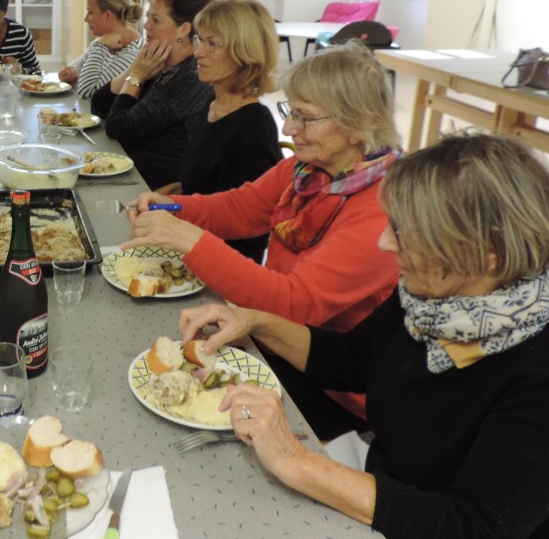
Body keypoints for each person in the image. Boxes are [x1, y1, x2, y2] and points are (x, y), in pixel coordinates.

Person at [179, 133, 549, 539]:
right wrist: (255, 321)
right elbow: (349, 360)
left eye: (405, 232)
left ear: (487, 252)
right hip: (378, 481)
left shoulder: (535, 372)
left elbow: (471, 526)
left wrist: (296, 460)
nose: (384, 242)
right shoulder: (430, 300)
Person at [126, 41, 401, 437]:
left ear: (358, 125)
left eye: (305, 117)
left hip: (329, 388)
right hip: (272, 340)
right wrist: (171, 207)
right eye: (291, 112)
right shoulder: (307, 171)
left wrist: (191, 241)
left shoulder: (380, 211)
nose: (288, 129)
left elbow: (295, 304)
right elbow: (240, 208)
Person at [157, 0, 282, 263]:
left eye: (212, 43)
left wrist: (176, 215)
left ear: (243, 52)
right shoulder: (212, 106)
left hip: (218, 265)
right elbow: (208, 185)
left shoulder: (253, 127)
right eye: (200, 40)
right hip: (187, 246)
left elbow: (251, 230)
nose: (198, 53)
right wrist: (171, 195)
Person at [90, 0, 215, 190]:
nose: (146, 25)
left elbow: (118, 128)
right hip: (131, 180)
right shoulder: (160, 64)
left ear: (184, 29)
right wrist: (136, 68)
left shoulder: (188, 78)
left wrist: (137, 76)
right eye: (148, 17)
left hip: (153, 193)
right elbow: (99, 104)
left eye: (155, 20)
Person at [58, 0, 144, 98]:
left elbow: (87, 91)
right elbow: (77, 66)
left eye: (90, 12)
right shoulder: (104, 40)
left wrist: (100, 46)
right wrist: (69, 73)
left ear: (107, 15)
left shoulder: (132, 52)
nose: (86, 19)